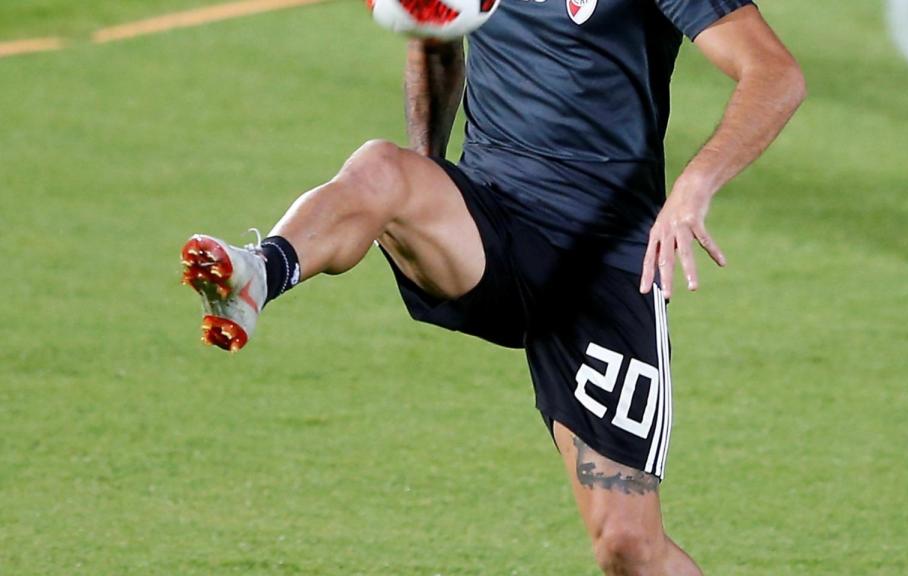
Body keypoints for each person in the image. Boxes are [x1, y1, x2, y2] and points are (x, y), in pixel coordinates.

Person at [181, 0, 804, 573]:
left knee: (627, 544)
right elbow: (438, 37)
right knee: (381, 169)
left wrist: (693, 189)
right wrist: (423, 181)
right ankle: (259, 273)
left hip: (604, 265)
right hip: (491, 228)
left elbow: (774, 73)